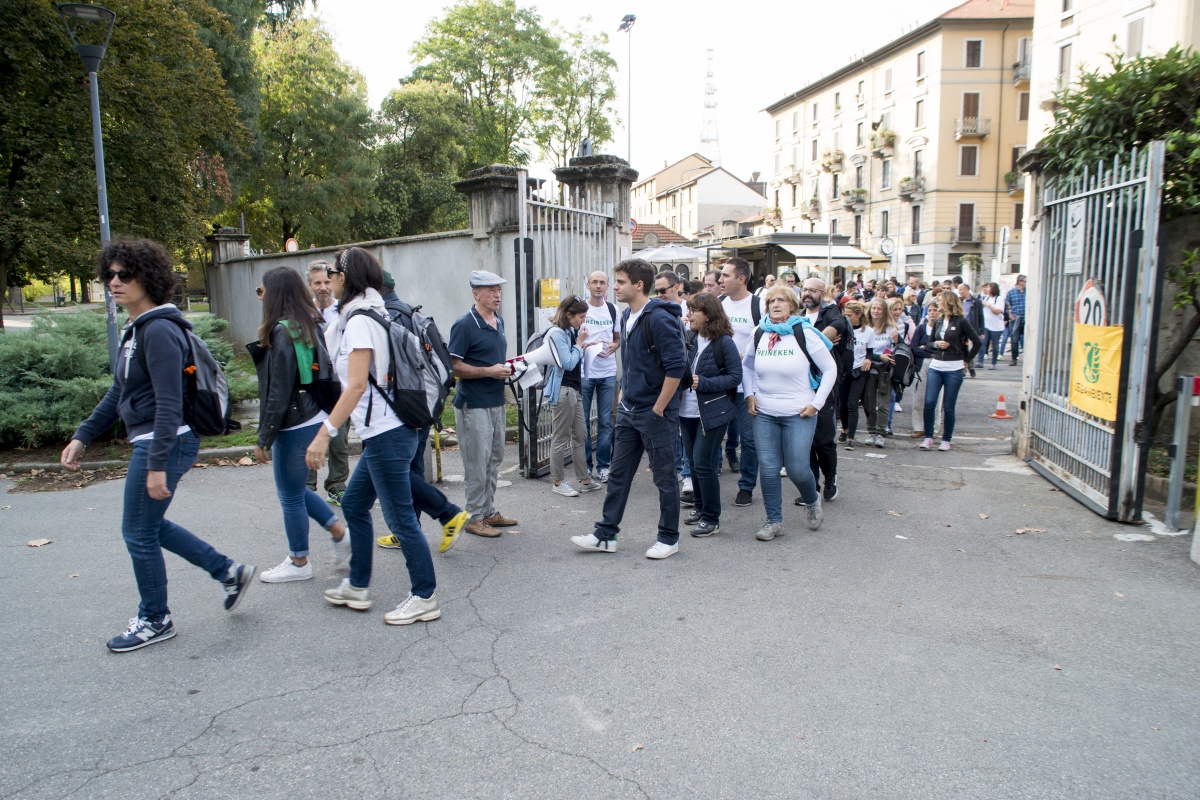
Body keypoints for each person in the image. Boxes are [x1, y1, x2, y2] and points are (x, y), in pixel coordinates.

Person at [61, 238, 255, 652]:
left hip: (163, 443)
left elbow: (169, 403)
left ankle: (155, 618)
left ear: (147, 279)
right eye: (108, 274)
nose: (113, 282)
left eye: (124, 275)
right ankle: (227, 571)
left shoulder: (160, 331)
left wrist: (155, 463)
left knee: (138, 530)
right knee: (149, 526)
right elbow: (119, 394)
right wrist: (83, 435)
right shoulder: (137, 331)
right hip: (155, 443)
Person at [306, 247, 441, 625]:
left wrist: (324, 433)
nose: (328, 278)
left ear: (347, 278)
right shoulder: (363, 313)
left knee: (401, 521)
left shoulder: (361, 321)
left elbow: (356, 387)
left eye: (333, 271)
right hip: (384, 431)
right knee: (353, 504)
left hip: (386, 432)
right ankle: (358, 585)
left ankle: (424, 595)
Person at [571, 259, 686, 559]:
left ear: (638, 284)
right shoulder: (625, 315)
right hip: (629, 410)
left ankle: (669, 537)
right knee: (619, 474)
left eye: (620, 282)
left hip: (655, 413)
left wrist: (659, 407)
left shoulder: (659, 318)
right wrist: (624, 392)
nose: (615, 287)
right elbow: (634, 361)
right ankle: (605, 535)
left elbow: (676, 367)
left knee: (663, 477)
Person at [249, 267, 351, 584]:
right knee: (295, 489)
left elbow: (277, 391)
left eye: (262, 289)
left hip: (294, 421)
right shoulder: (307, 323)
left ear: (275, 293)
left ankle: (299, 561)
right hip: (313, 414)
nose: (260, 295)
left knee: (289, 495)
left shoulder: (281, 331)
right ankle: (339, 533)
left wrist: (263, 438)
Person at [375, 272, 469, 553]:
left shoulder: (387, 318)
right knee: (410, 469)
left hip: (401, 407)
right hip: (423, 404)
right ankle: (411, 529)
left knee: (399, 472)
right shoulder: (411, 313)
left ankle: (442, 515)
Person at [744, 285, 838, 540]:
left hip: (800, 412)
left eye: (781, 300)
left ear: (792, 305)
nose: (775, 304)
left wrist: (817, 404)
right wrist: (749, 393)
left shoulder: (805, 333)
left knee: (797, 468)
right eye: (771, 301)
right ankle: (773, 521)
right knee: (769, 467)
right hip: (764, 411)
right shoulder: (760, 332)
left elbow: (830, 369)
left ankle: (812, 499)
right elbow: (748, 366)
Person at [448, 270, 519, 538]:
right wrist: (489, 371)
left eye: (499, 289)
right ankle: (474, 516)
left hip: (495, 401)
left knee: (494, 458)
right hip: (473, 404)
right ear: (476, 294)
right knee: (476, 462)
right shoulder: (464, 325)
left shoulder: (497, 321)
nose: (497, 294)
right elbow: (454, 367)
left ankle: (488, 511)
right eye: (490, 290)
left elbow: (490, 359)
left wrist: (509, 368)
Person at [678, 293, 741, 537]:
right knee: (693, 463)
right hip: (687, 411)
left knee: (704, 463)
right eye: (689, 310)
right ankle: (701, 508)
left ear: (709, 315)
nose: (689, 315)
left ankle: (712, 518)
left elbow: (735, 378)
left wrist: (703, 382)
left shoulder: (724, 342)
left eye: (695, 311)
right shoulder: (690, 336)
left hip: (713, 411)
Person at [543, 295, 603, 497]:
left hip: (574, 390)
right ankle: (558, 482)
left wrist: (583, 345)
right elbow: (567, 363)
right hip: (563, 390)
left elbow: (572, 355)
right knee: (560, 437)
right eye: (581, 316)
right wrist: (579, 343)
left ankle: (584, 479)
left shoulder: (569, 331)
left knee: (580, 435)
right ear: (569, 314)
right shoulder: (557, 333)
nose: (583, 321)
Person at [799, 277, 850, 502]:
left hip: (825, 383)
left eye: (813, 290)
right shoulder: (798, 316)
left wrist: (808, 342)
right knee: (805, 438)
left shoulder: (831, 312)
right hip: (800, 383)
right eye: (805, 289)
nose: (808, 293)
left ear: (823, 293)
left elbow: (837, 327)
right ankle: (812, 488)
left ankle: (830, 478)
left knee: (824, 438)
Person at [720, 257, 762, 507]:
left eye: (726, 275)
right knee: (713, 434)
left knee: (748, 439)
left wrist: (746, 356)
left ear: (741, 278)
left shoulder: (758, 306)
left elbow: (769, 341)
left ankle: (746, 486)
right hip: (720, 383)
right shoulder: (718, 304)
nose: (721, 279)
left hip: (748, 386)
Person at [306, 260, 348, 505]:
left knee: (339, 441)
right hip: (312, 384)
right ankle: (308, 486)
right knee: (310, 435)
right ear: (310, 285)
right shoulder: (304, 311)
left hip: (338, 384)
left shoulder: (343, 310)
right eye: (317, 283)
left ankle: (337, 485)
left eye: (326, 282)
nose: (323, 287)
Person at [919, 290, 981, 452]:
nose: (938, 304)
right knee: (929, 402)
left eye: (940, 301)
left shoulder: (961, 322)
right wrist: (937, 345)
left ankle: (946, 439)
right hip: (936, 365)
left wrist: (966, 360)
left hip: (954, 367)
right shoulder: (938, 322)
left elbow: (977, 341)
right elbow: (930, 343)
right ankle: (928, 437)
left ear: (948, 303)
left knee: (948, 406)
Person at [581, 271, 619, 483]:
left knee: (605, 422)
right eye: (594, 282)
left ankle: (603, 466)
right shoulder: (581, 310)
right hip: (585, 372)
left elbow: (618, 339)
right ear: (588, 285)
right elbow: (573, 340)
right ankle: (586, 466)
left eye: (602, 282)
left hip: (607, 372)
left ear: (607, 286)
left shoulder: (613, 310)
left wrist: (615, 346)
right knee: (583, 422)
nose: (598, 286)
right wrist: (584, 345)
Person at [863, 296, 898, 448]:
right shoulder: (865, 327)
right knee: (870, 404)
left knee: (883, 404)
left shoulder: (890, 328)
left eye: (879, 309)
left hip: (885, 371)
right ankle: (871, 432)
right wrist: (877, 356)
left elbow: (897, 348)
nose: (876, 311)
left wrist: (897, 341)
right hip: (869, 369)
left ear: (884, 311)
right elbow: (862, 350)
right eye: (874, 308)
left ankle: (880, 433)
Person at [838, 301, 872, 449]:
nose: (847, 318)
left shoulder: (868, 331)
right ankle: (844, 429)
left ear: (858, 315)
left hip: (859, 371)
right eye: (845, 315)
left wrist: (868, 359)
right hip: (844, 370)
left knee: (853, 403)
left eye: (850, 316)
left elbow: (870, 351)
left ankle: (851, 437)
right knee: (842, 404)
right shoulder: (843, 329)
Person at [909, 298, 943, 438]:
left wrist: (929, 349)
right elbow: (914, 348)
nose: (932, 313)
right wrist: (930, 351)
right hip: (922, 364)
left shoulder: (942, 329)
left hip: (938, 364)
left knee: (936, 399)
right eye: (930, 310)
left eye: (935, 310)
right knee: (919, 398)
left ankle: (934, 429)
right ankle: (919, 427)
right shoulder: (921, 328)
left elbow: (943, 348)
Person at [975, 281, 1006, 370]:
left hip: (996, 327)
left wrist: (988, 305)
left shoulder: (999, 299)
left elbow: (997, 311)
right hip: (986, 325)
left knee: (995, 344)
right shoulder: (986, 298)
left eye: (988, 287)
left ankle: (994, 362)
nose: (987, 289)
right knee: (982, 343)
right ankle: (980, 361)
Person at [958, 282, 981, 378]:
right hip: (960, 330)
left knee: (972, 348)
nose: (959, 292)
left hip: (972, 329)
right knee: (964, 349)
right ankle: (966, 367)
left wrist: (982, 331)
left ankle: (970, 366)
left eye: (960, 289)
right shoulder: (958, 301)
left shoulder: (976, 302)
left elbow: (981, 317)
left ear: (966, 289)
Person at [1005, 274, 1026, 365]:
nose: (1026, 283)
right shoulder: (1011, 292)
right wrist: (1009, 315)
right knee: (1014, 339)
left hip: (1026, 317)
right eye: (1025, 281)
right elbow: (1006, 305)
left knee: (1028, 339)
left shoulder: (1028, 291)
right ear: (1020, 282)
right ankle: (1014, 358)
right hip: (1015, 317)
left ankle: (1028, 358)